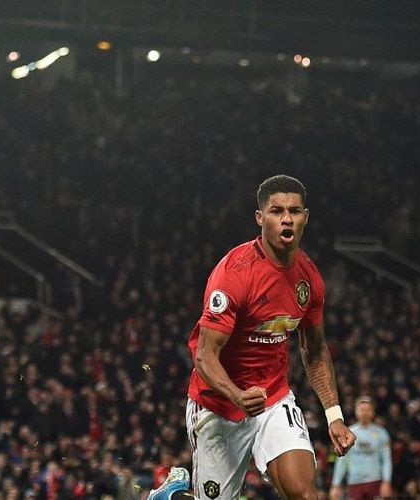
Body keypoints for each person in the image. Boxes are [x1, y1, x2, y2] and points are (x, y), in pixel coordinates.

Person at [156, 175, 356, 500]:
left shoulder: (309, 278)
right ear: (260, 218)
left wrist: (335, 416)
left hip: (273, 399)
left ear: (306, 216)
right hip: (219, 403)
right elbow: (205, 355)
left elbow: (315, 350)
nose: (287, 218)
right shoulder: (234, 273)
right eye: (277, 211)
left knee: (305, 494)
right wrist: (236, 395)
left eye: (294, 210)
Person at [329, 396, 392, 500]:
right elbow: (342, 461)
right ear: (356, 411)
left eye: (368, 410)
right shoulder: (349, 433)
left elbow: (386, 460)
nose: (365, 413)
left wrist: (386, 481)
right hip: (354, 482)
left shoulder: (381, 433)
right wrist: (336, 484)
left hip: (375, 481)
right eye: (362, 410)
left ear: (373, 412)